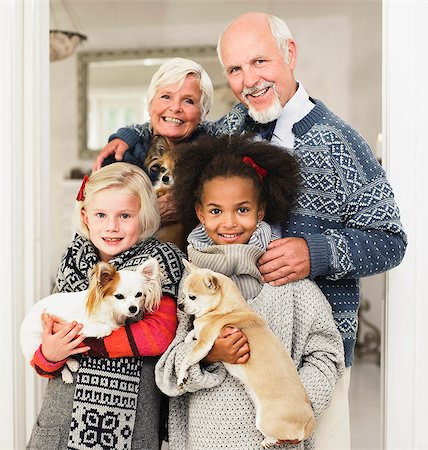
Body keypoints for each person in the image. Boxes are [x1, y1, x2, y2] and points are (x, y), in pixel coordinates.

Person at [94, 12, 407, 448]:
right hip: (224, 344)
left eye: (259, 62)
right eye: (236, 70)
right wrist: (125, 133)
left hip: (312, 348)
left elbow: (390, 240)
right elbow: (171, 121)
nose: (249, 80)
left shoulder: (342, 143)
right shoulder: (224, 130)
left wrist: (316, 252)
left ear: (289, 54)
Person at [155, 134, 345, 450]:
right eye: (216, 211)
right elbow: (167, 373)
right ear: (200, 213)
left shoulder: (290, 285)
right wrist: (209, 354)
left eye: (242, 209)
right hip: (206, 440)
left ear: (260, 212)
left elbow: (327, 352)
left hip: (277, 441)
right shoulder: (189, 288)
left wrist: (295, 404)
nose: (229, 222)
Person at [26, 163, 184, 450]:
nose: (111, 226)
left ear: (144, 216)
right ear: (86, 217)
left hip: (129, 423)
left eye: (125, 216)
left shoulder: (158, 260)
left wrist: (84, 341)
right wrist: (49, 355)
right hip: (62, 418)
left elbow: (159, 335)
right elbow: (48, 336)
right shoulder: (73, 260)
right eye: (101, 215)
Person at [92, 57, 214, 228]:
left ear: (203, 113)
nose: (175, 107)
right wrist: (152, 216)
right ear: (149, 104)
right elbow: (99, 223)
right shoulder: (120, 157)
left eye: (189, 101)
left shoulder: (214, 156)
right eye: (166, 96)